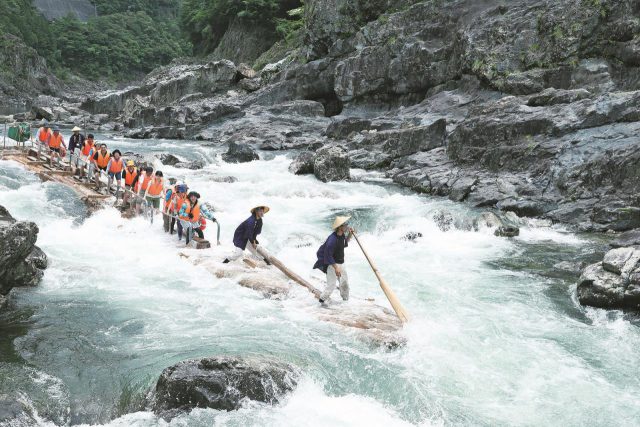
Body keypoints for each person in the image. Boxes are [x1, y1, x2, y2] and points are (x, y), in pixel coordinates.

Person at [314, 216, 354, 306]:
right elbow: (328, 256)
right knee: (331, 285)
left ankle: (345, 302)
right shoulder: (332, 240)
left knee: (345, 283)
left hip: (341, 263)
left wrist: (350, 235)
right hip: (332, 265)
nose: (347, 226)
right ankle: (321, 301)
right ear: (340, 227)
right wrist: (336, 268)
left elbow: (344, 243)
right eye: (345, 225)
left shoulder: (341, 235)